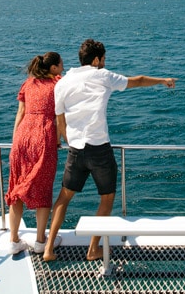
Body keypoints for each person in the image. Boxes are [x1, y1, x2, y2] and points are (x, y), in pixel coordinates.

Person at [43, 39, 177, 262]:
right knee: (107, 198)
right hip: (99, 150)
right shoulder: (101, 76)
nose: (105, 62)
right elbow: (138, 81)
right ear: (96, 60)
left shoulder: (62, 83)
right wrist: (163, 80)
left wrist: (72, 143)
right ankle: (93, 249)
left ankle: (48, 249)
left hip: (75, 150)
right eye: (104, 59)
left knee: (63, 199)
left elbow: (61, 122)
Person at [5, 52, 65, 255]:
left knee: (16, 190)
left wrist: (15, 142)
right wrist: (57, 139)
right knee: (44, 187)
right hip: (44, 136)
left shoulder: (28, 84)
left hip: (22, 137)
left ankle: (14, 240)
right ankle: (40, 241)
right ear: (54, 68)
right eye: (61, 64)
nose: (63, 66)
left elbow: (20, 113)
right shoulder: (58, 85)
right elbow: (58, 117)